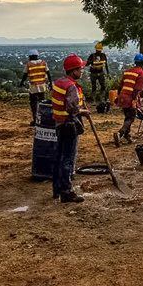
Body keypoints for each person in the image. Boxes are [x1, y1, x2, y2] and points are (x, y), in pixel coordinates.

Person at [52, 55, 90, 203]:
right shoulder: (71, 87)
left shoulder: (59, 82)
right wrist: (84, 111)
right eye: (80, 69)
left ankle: (57, 189)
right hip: (69, 126)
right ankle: (66, 193)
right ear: (73, 71)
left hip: (59, 124)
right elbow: (73, 110)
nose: (82, 71)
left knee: (59, 157)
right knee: (68, 158)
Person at [113, 53, 143, 146]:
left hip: (123, 96)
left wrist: (118, 96)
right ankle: (120, 133)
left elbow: (121, 85)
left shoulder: (127, 71)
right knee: (131, 117)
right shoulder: (141, 73)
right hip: (130, 97)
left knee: (127, 117)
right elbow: (137, 89)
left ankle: (127, 136)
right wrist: (134, 101)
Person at [19, 49, 53, 126]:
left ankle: (35, 120)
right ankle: (42, 120)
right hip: (42, 86)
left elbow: (25, 75)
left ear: (30, 56)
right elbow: (48, 74)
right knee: (42, 104)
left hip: (33, 86)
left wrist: (21, 83)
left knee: (34, 104)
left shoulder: (28, 64)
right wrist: (51, 84)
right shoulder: (44, 63)